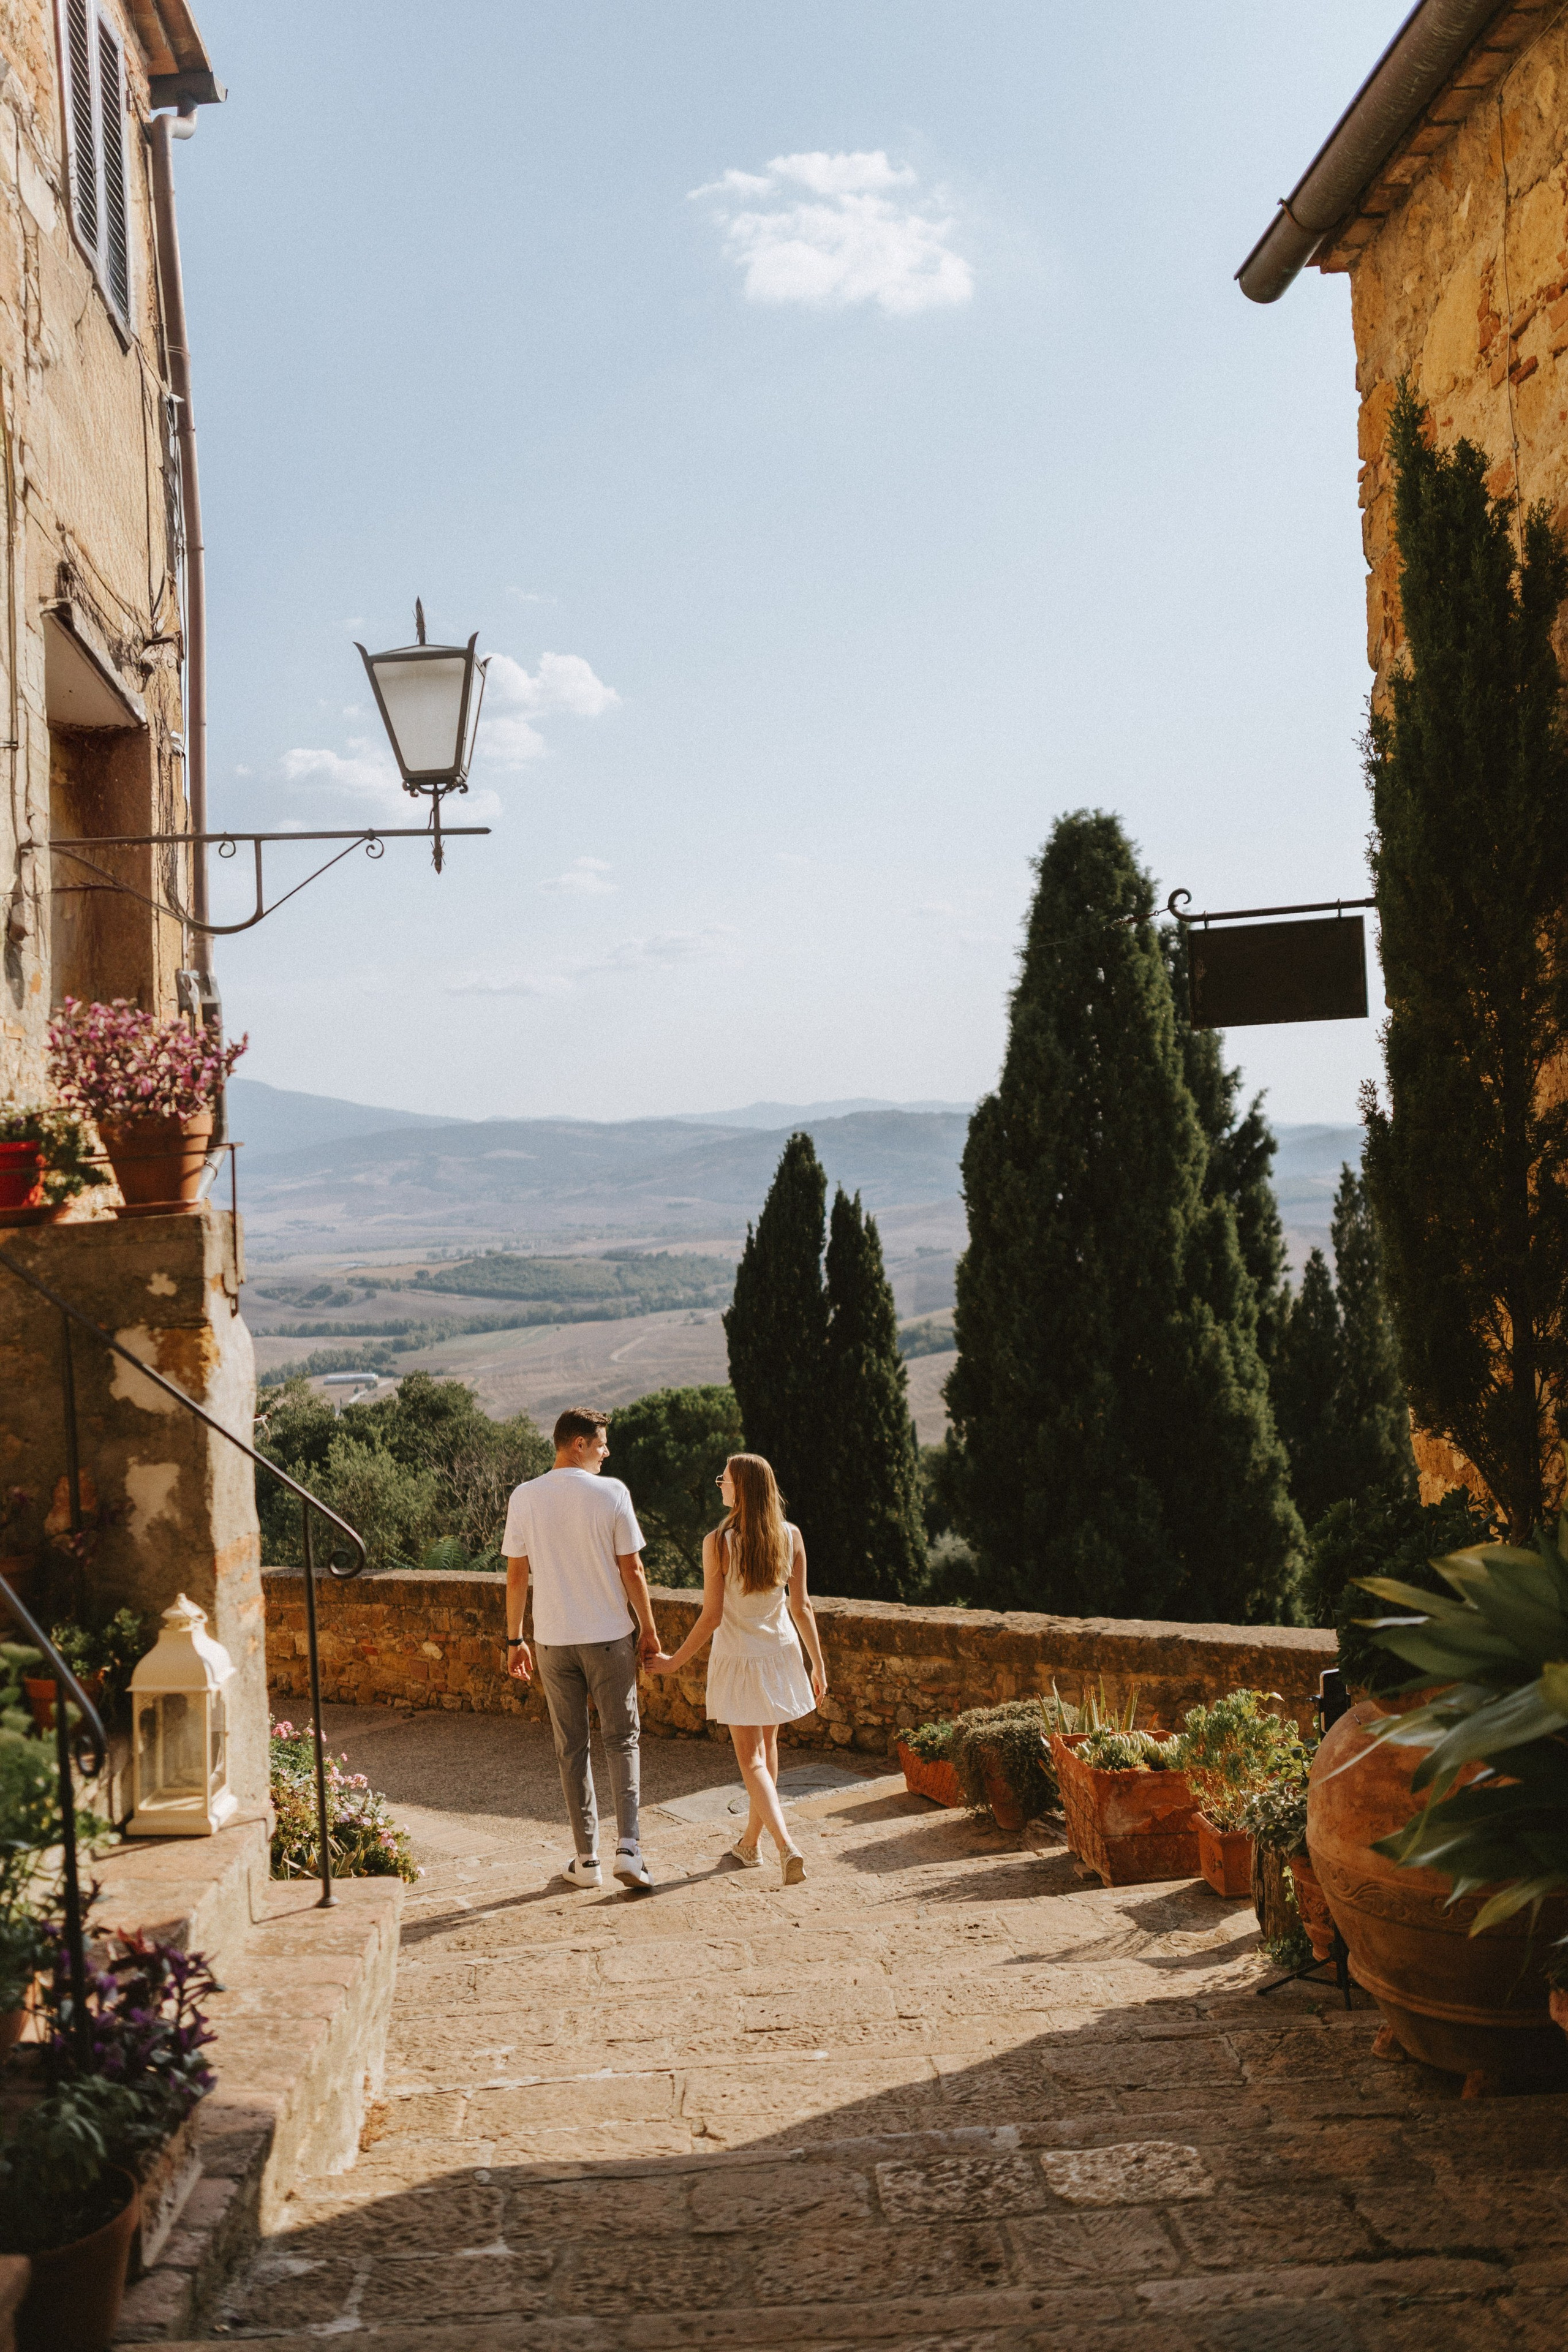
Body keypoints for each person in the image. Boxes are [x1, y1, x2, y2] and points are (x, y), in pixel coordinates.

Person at [649, 1452, 827, 1886]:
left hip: (740, 1658)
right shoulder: (792, 1535)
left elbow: (711, 1617)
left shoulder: (719, 1542)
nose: (720, 1485)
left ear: (741, 1488)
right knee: (767, 1754)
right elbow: (801, 1607)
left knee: (750, 1760)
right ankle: (751, 1844)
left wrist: (673, 1661)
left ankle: (786, 1846)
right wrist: (818, 1665)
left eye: (723, 1479)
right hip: (782, 1653)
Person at [503, 1406, 660, 1891]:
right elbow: (632, 1570)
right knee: (622, 1739)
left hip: (552, 1641)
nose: (606, 1452)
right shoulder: (612, 1492)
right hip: (610, 1637)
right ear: (578, 1444)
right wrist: (649, 1630)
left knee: (572, 1747)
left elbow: (516, 1576)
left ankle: (587, 1861)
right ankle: (629, 1851)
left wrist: (514, 1640)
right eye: (601, 1444)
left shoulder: (525, 1496)